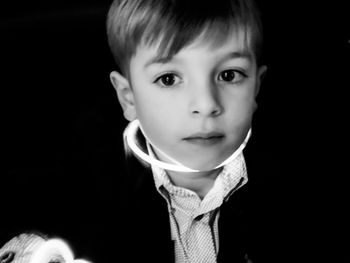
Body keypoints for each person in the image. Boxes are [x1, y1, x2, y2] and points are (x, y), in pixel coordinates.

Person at [106, 0, 271, 262]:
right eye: (168, 79)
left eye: (229, 75)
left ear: (256, 88)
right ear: (128, 98)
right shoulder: (93, 209)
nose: (206, 105)